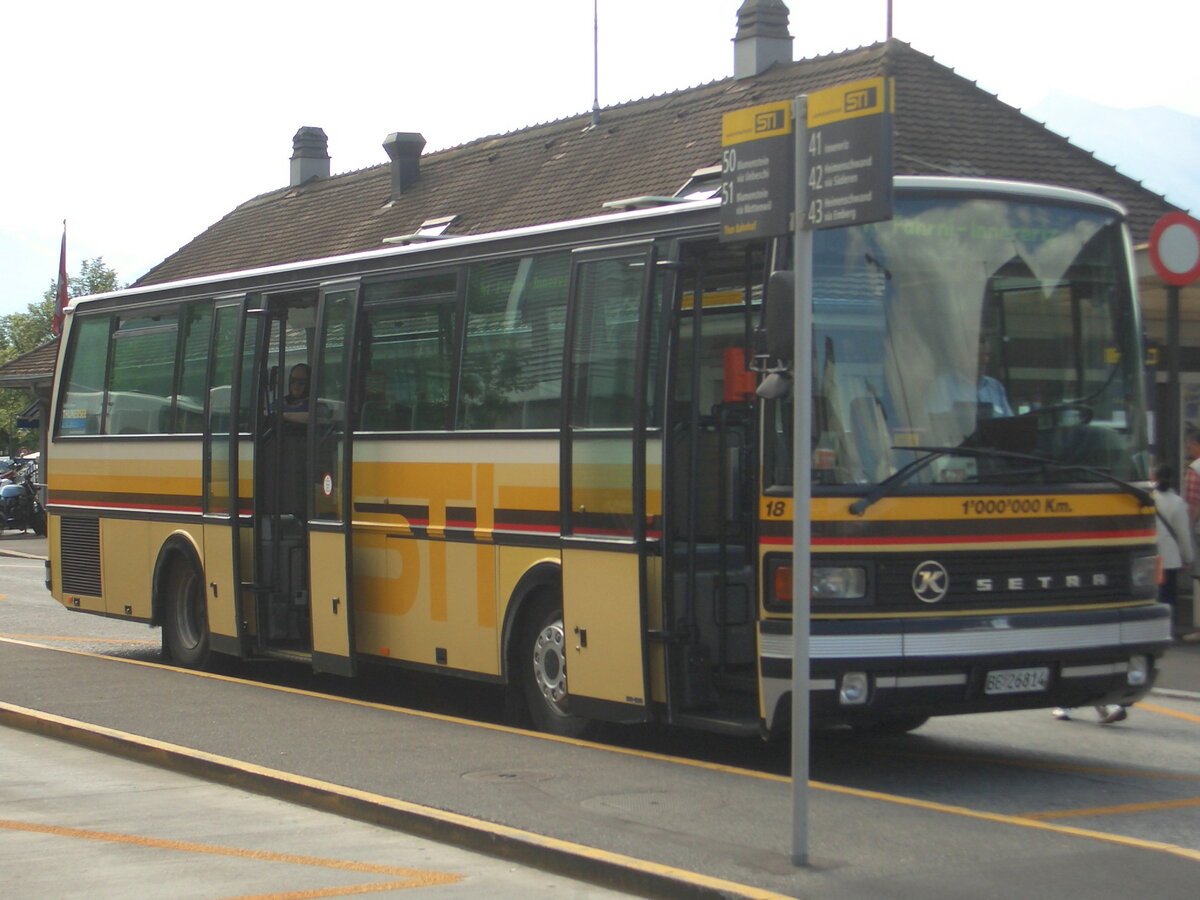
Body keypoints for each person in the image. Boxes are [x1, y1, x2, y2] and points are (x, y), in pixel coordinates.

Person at [1154, 463, 1193, 635]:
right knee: (1169, 597)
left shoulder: (1148, 498)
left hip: (1151, 556)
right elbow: (1183, 534)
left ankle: (1152, 629)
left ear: (1153, 478)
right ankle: (1168, 630)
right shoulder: (1178, 503)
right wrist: (1188, 557)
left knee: (1154, 596)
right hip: (1170, 558)